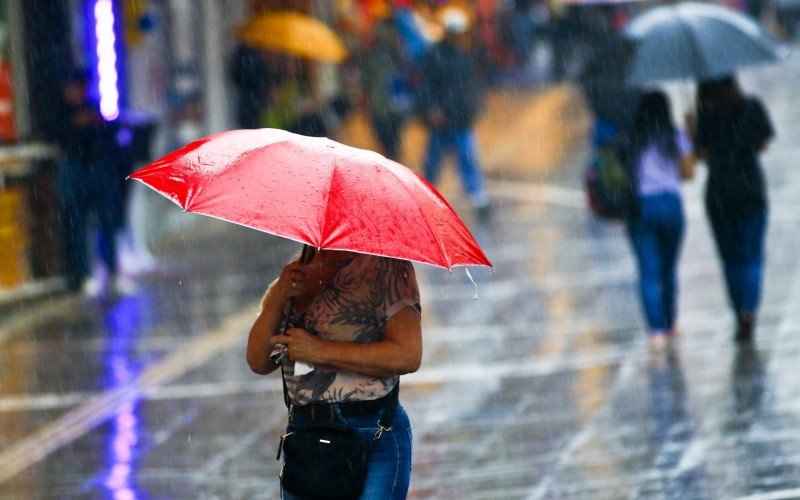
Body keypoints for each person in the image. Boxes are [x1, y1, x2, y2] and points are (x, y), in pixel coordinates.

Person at [247, 248, 422, 499]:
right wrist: (276, 298)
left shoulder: (386, 266)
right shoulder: (297, 269)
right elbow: (258, 361)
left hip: (372, 433)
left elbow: (408, 354)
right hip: (308, 437)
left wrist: (320, 351)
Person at [690, 75, 774, 343]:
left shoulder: (706, 114)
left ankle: (739, 312)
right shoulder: (752, 106)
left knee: (730, 258)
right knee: (751, 254)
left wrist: (692, 130)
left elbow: (700, 156)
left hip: (719, 193)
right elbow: (763, 143)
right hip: (751, 189)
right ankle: (750, 309)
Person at [622, 92, 695, 350]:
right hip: (670, 206)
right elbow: (689, 173)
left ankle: (656, 331)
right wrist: (689, 134)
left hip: (640, 208)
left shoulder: (631, 138)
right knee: (668, 268)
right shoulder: (674, 136)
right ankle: (671, 322)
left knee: (647, 271)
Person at [55, 69, 124, 296]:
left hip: (96, 169)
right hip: (76, 170)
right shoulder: (62, 113)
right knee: (78, 224)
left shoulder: (92, 108)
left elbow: (107, 134)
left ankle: (112, 271)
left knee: (106, 223)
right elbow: (60, 137)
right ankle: (84, 275)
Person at [419, 7, 492, 221]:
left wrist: (472, 108)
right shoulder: (435, 56)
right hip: (443, 122)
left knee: (467, 161)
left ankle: (479, 199)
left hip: (460, 120)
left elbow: (470, 86)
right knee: (433, 164)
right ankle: (422, 201)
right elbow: (428, 86)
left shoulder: (464, 56)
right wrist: (432, 109)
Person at [360, 19, 414, 161]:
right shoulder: (370, 55)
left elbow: (409, 73)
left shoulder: (400, 53)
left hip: (396, 105)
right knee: (383, 138)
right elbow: (366, 80)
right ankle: (389, 159)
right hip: (379, 105)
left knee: (394, 140)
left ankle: (393, 161)